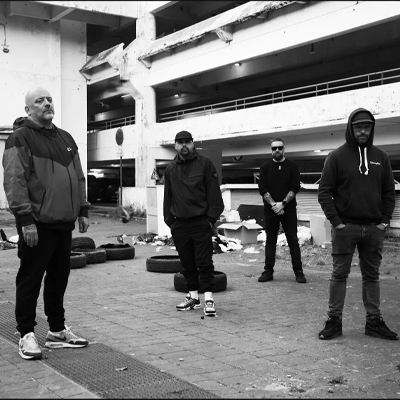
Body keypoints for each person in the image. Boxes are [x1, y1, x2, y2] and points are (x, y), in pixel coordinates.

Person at [2, 87, 90, 360]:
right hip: (37, 223)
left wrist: (83, 209)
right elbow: (14, 179)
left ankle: (56, 331)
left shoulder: (66, 138)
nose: (47, 103)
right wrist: (25, 219)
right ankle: (26, 333)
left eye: (49, 99)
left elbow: (78, 175)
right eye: (39, 101)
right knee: (30, 278)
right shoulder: (20, 137)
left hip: (64, 222)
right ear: (28, 109)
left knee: (59, 278)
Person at [317, 107, 398, 341]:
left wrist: (384, 222)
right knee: (339, 275)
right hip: (346, 228)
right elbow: (324, 192)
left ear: (372, 130)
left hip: (373, 228)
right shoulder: (336, 157)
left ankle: (374, 322)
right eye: (358, 127)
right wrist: (336, 222)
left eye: (367, 127)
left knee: (372, 276)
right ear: (350, 129)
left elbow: (389, 192)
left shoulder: (381, 157)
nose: (363, 131)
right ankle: (334, 321)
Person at [163, 130, 224, 316]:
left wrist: (209, 220)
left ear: (192, 143)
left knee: (204, 262)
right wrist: (170, 221)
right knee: (187, 262)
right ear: (175, 145)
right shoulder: (170, 169)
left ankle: (209, 299)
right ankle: (193, 297)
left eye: (187, 142)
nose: (184, 145)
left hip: (201, 222)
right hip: (179, 224)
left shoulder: (205, 163)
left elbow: (214, 194)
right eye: (180, 142)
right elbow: (168, 197)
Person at [257, 137, 306, 283]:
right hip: (270, 210)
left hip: (288, 210)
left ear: (284, 149)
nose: (277, 150)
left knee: (293, 241)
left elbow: (295, 187)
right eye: (274, 148)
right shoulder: (265, 168)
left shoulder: (292, 166)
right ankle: (268, 271)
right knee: (270, 241)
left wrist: (282, 204)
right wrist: (274, 205)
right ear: (271, 150)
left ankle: (299, 272)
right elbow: (262, 189)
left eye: (279, 148)